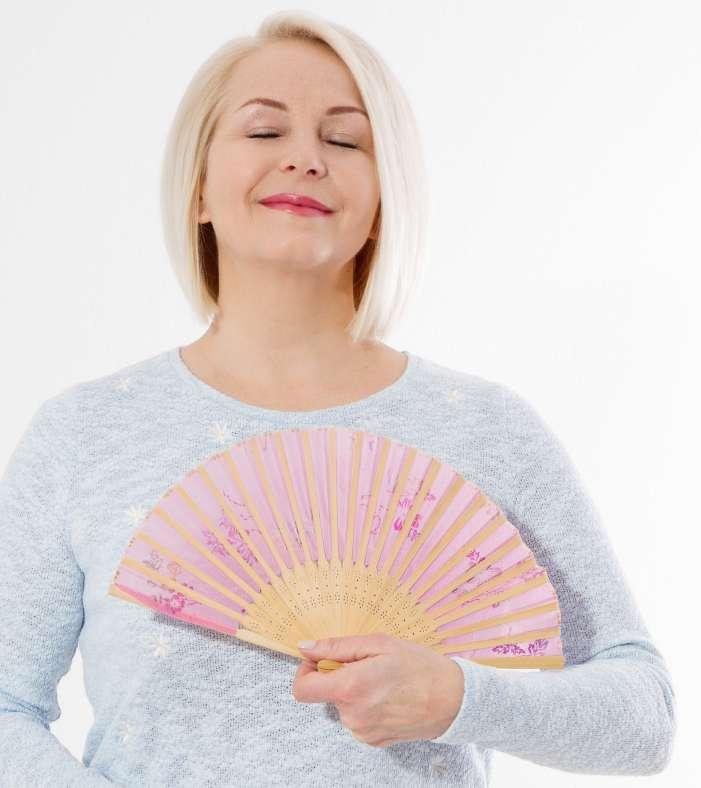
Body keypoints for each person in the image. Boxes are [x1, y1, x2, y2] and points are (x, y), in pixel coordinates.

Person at [0, 9, 676, 787]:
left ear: (385, 200)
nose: (304, 158)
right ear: (198, 190)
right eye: (263, 130)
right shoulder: (85, 433)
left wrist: (457, 696)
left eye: (346, 140)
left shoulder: (486, 430)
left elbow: (644, 719)